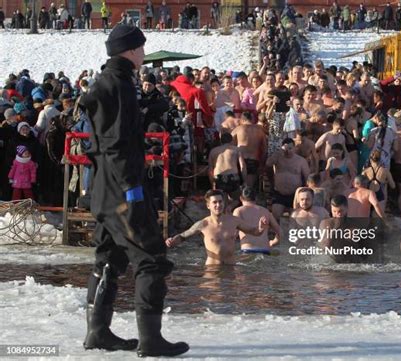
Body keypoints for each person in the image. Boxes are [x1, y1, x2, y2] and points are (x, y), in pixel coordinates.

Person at [80, 24, 188, 357]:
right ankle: (151, 339)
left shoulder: (109, 81)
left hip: (101, 187)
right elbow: (116, 143)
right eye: (141, 48)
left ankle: (97, 331)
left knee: (109, 258)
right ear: (130, 50)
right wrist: (132, 188)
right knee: (151, 256)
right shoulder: (120, 84)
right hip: (122, 188)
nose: (144, 53)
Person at [166, 189, 268, 264]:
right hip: (212, 270)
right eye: (214, 202)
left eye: (220, 201)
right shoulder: (203, 224)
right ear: (208, 205)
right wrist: (172, 241)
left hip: (231, 268)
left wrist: (261, 227)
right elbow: (183, 236)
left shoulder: (234, 221)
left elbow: (255, 232)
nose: (218, 205)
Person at [266, 138, 310, 222]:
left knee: (295, 217)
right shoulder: (277, 157)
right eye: (285, 149)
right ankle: (279, 233)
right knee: (276, 214)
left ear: (294, 148)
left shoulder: (301, 161)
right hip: (280, 193)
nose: (288, 151)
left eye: (290, 148)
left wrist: (303, 192)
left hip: (294, 194)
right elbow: (268, 165)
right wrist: (272, 181)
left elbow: (307, 177)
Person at [233, 186, 280, 254]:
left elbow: (233, 234)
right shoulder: (266, 211)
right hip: (265, 250)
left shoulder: (238, 211)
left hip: (248, 250)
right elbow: (280, 233)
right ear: (256, 198)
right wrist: (273, 242)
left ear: (241, 198)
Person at [208, 132, 246, 209]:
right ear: (231, 141)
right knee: (239, 198)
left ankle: (225, 211)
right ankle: (230, 208)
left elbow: (210, 169)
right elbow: (243, 166)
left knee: (222, 199)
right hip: (233, 176)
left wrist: (212, 182)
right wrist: (244, 180)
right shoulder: (236, 149)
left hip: (219, 176)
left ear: (221, 141)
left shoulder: (213, 151)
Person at [232, 111, 267, 189]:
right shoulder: (260, 130)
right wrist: (262, 163)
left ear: (242, 119)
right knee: (249, 188)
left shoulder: (238, 129)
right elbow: (265, 149)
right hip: (254, 160)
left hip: (241, 159)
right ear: (252, 119)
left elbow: (230, 145)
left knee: (240, 187)